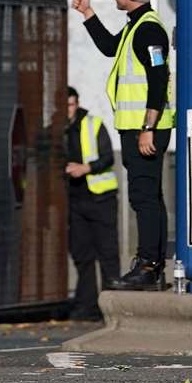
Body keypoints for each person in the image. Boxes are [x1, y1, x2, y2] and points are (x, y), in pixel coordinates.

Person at [72, 0, 174, 291]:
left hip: (145, 129)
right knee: (149, 198)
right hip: (136, 128)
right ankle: (151, 266)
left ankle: (147, 266)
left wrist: (148, 126)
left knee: (144, 199)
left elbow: (160, 78)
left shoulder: (149, 30)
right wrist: (88, 13)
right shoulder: (135, 27)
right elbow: (109, 48)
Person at [64, 86, 118, 320]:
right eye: (65, 105)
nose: (69, 109)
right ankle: (87, 306)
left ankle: (112, 306)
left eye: (72, 104)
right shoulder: (53, 129)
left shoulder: (93, 123)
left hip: (100, 197)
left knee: (107, 252)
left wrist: (85, 168)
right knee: (81, 254)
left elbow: (108, 157)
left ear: (77, 103)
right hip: (73, 201)